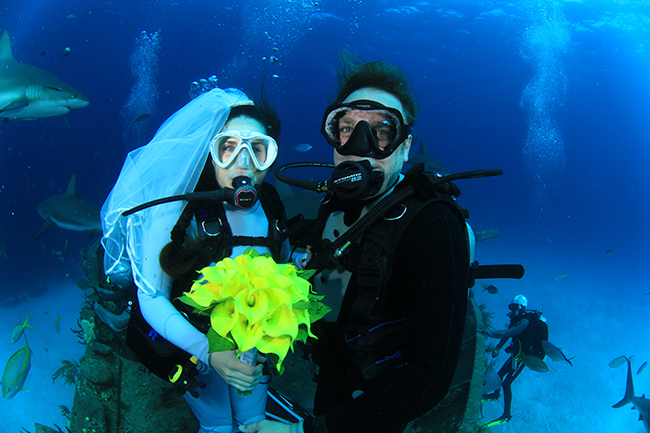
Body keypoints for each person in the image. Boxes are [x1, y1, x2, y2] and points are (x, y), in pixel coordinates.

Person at [242, 55, 472, 433]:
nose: (358, 146)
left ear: (404, 145)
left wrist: (308, 432)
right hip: (333, 376)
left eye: (381, 131)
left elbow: (429, 379)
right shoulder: (335, 202)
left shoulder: (433, 224)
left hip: (376, 405)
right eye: (346, 127)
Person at [101, 87, 293, 433]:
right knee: (218, 426)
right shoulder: (173, 217)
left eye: (258, 150)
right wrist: (207, 352)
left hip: (254, 348)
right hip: (195, 349)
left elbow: (284, 263)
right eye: (229, 147)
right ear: (211, 151)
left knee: (253, 423)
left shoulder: (273, 204)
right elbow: (151, 297)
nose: (244, 161)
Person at [480, 294, 549, 427]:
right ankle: (495, 395)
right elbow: (509, 332)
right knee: (499, 376)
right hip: (517, 353)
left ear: (522, 308)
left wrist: (487, 332)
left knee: (506, 383)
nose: (513, 310)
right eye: (511, 307)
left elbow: (508, 333)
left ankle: (506, 415)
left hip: (525, 357)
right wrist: (499, 347)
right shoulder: (516, 319)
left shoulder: (525, 321)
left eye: (515, 307)